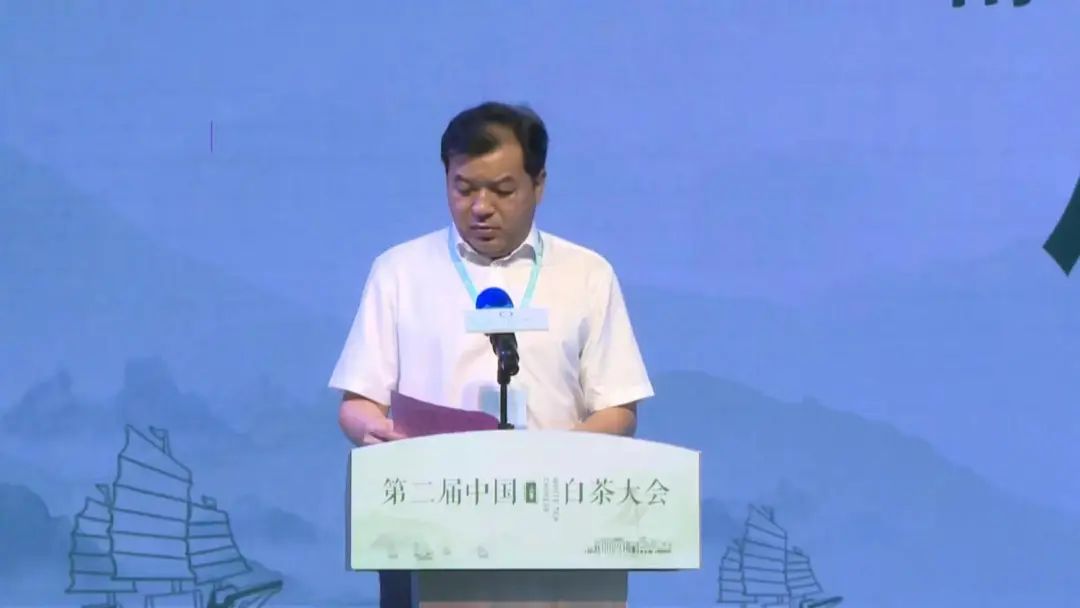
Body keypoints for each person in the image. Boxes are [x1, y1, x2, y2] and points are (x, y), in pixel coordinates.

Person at [328, 101, 654, 606]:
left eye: (502, 190)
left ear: (538, 184)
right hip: (432, 524)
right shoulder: (400, 271)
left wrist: (554, 460)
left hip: (559, 527)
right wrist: (372, 430)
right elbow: (357, 401)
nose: (481, 206)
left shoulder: (587, 274)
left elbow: (619, 408)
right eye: (463, 188)